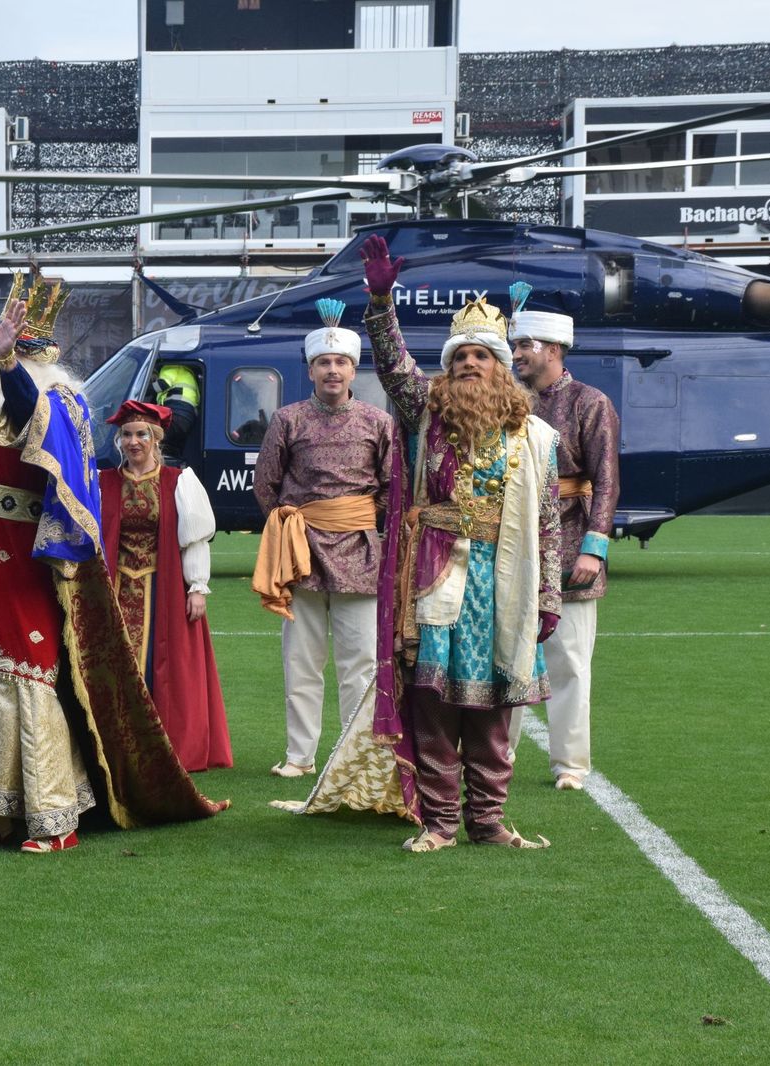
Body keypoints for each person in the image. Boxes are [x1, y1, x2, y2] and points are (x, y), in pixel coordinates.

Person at [0, 263, 225, 853]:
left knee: (25, 677)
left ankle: (54, 819)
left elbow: (30, 417)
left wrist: (6, 365)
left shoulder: (59, 399)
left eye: (8, 349)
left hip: (17, 559)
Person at [358, 233, 562, 852]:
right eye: (459, 357)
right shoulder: (426, 413)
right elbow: (394, 364)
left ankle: (490, 821)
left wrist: (549, 594)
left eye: (482, 356)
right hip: (435, 578)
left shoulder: (539, 438)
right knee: (436, 707)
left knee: (497, 709)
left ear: (502, 368)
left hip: (507, 583)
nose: (469, 364)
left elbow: (549, 522)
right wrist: (381, 301)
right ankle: (441, 823)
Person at [253, 313, 393, 780]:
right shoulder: (287, 419)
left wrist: (370, 530)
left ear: (354, 370)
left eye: (341, 362)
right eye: (323, 362)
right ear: (310, 369)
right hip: (301, 550)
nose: (333, 370)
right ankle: (300, 755)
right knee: (301, 659)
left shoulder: (378, 421)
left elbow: (392, 489)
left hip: (360, 551)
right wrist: (292, 528)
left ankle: (352, 753)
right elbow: (266, 485)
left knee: (360, 662)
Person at [507, 300, 621, 790]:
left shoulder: (589, 402)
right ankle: (497, 756)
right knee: (505, 653)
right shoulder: (506, 401)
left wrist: (595, 549)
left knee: (569, 661)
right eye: (513, 346)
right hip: (511, 540)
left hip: (573, 539)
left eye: (523, 346)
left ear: (553, 349)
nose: (516, 355)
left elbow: (608, 480)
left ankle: (570, 764)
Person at [99, 399, 232, 772]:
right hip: (117, 588)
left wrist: (197, 587)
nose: (133, 441)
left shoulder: (179, 482)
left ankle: (167, 745)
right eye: (126, 434)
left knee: (167, 667)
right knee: (117, 664)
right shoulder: (103, 482)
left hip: (164, 588)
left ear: (156, 440)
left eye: (142, 434)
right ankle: (120, 744)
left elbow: (194, 539)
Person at [151, 363, 201, 463]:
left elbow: (162, 384)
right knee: (172, 447)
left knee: (151, 437)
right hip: (187, 419)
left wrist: (141, 389)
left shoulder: (169, 367)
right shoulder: (187, 374)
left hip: (176, 413)